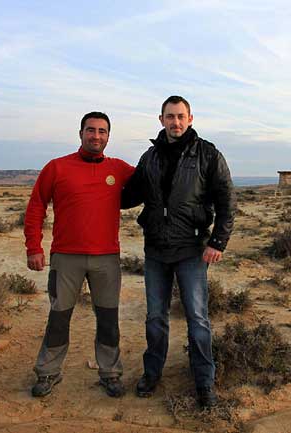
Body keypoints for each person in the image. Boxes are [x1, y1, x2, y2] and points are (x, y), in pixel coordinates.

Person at [122, 96, 235, 408]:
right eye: (170, 117)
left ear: (190, 118)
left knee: (197, 318)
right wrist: (96, 185)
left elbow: (226, 200)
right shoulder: (150, 157)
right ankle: (152, 373)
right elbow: (128, 195)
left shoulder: (208, 155)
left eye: (181, 116)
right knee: (155, 317)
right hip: (156, 250)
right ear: (161, 119)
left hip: (191, 250)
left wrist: (218, 242)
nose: (176, 122)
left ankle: (204, 384)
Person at [24, 112, 134, 398]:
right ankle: (48, 372)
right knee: (59, 317)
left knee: (108, 320)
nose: (96, 136)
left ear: (108, 136)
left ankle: (110, 373)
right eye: (91, 130)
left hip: (106, 259)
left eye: (102, 131)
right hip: (65, 258)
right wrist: (33, 247)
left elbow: (152, 183)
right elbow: (36, 206)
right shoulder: (57, 167)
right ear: (81, 133)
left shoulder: (119, 169)